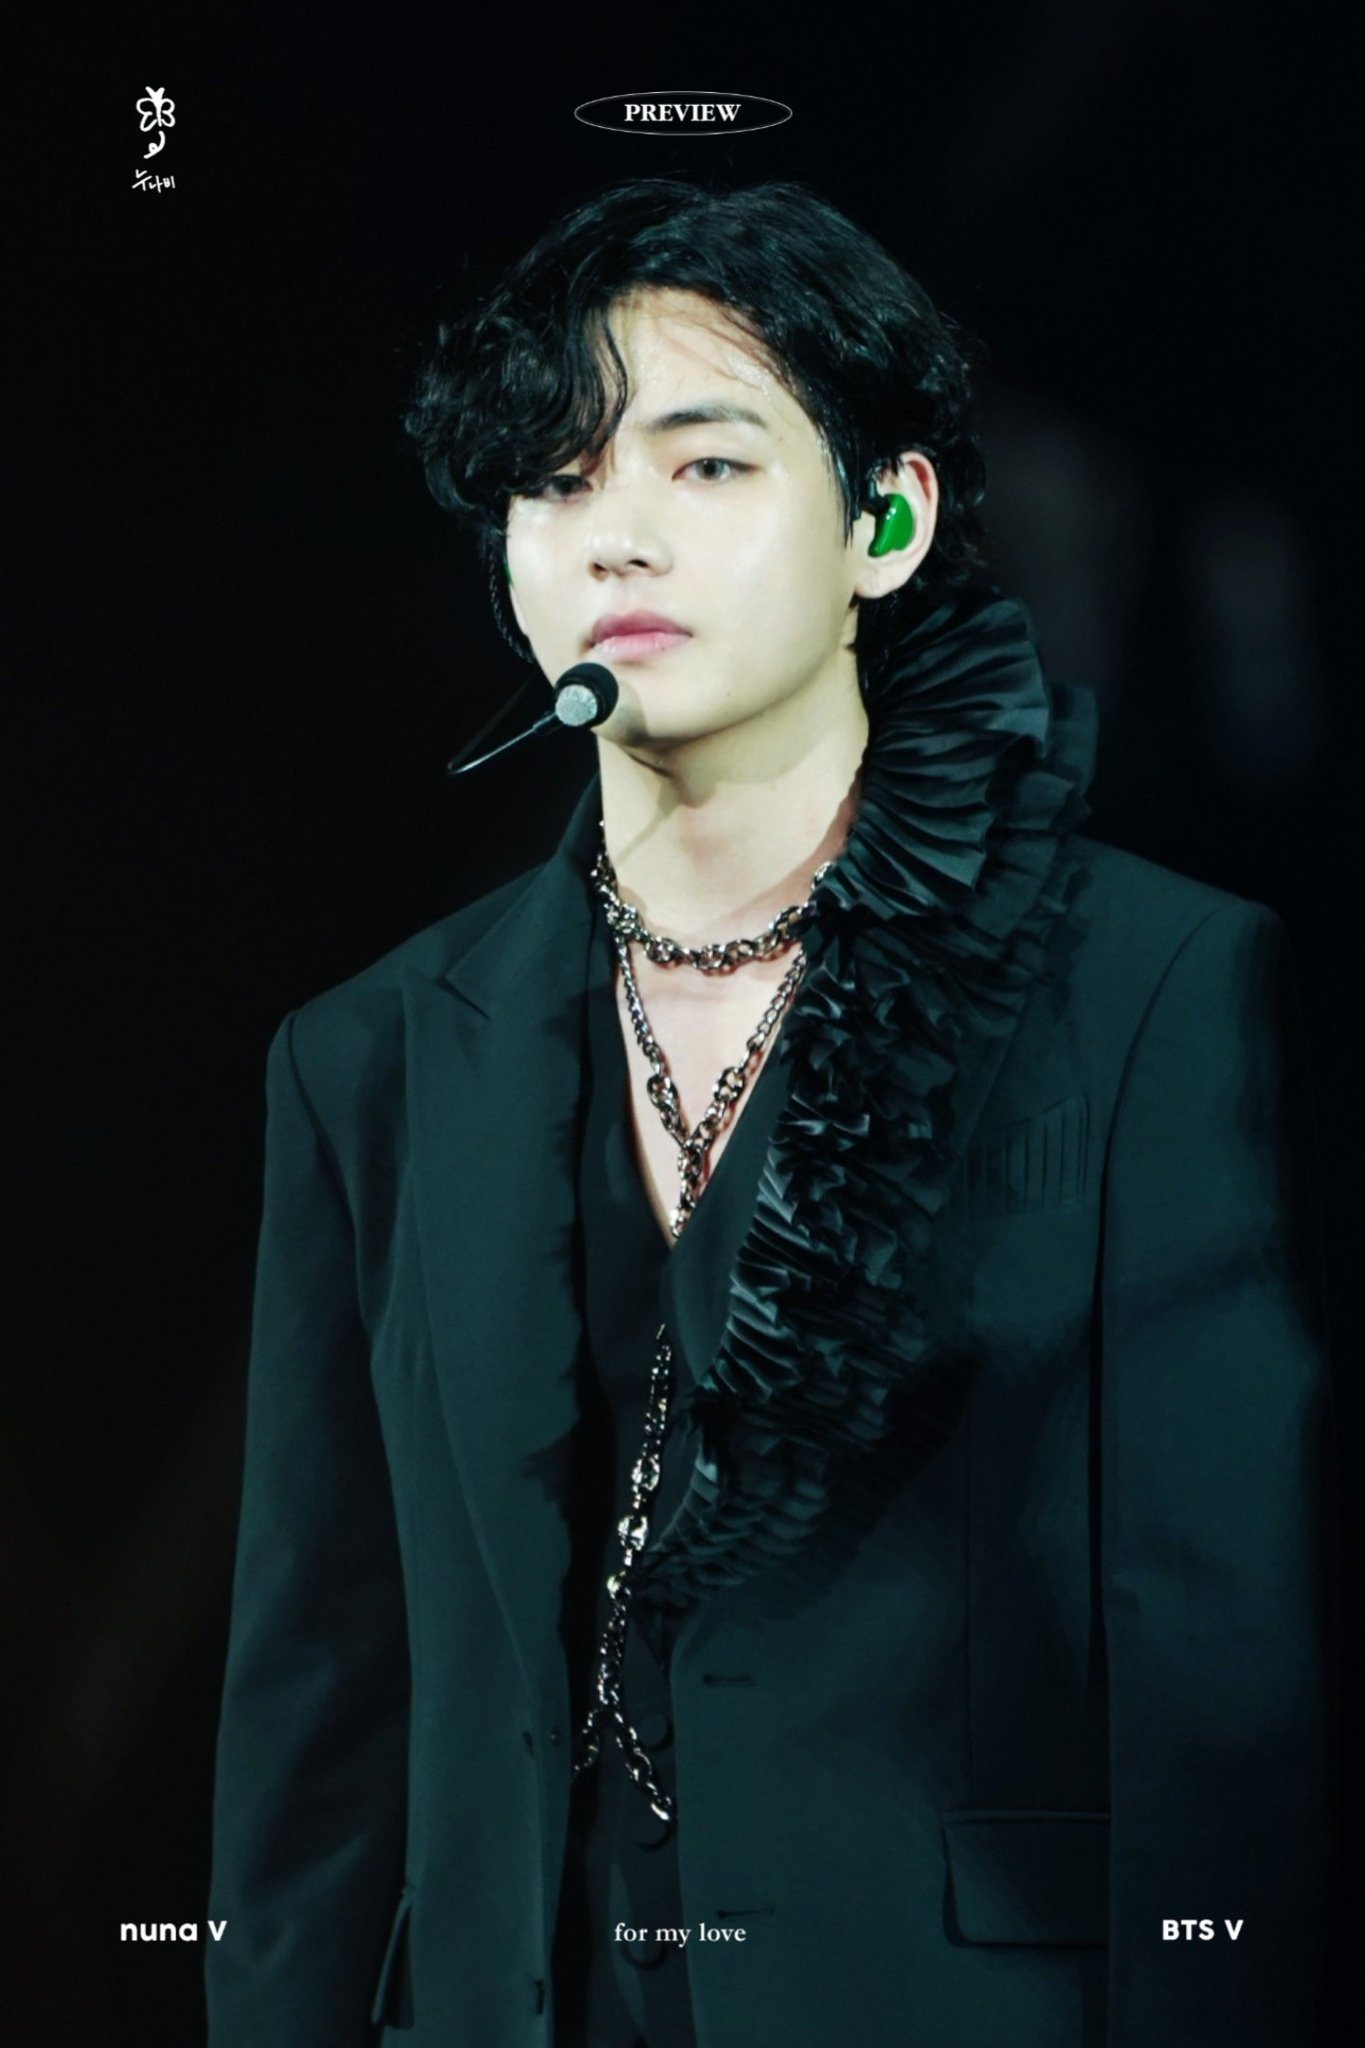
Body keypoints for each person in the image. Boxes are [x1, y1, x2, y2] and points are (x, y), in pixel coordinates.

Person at [205, 178, 1336, 2048]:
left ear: (884, 522)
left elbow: (1213, 1661)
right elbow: (319, 1691)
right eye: (554, 480)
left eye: (707, 464)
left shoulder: (1149, 989)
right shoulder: (367, 1057)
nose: (616, 534)